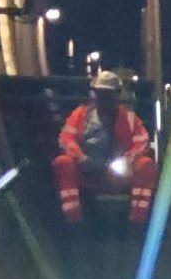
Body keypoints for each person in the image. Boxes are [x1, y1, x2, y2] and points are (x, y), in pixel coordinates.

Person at [52, 71, 157, 227]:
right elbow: (66, 138)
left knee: (146, 165)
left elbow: (141, 143)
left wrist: (126, 161)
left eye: (108, 93)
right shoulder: (80, 114)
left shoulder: (128, 117)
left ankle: (138, 222)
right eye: (100, 93)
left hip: (118, 174)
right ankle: (74, 221)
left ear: (117, 94)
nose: (104, 98)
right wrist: (80, 158)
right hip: (86, 169)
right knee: (62, 163)